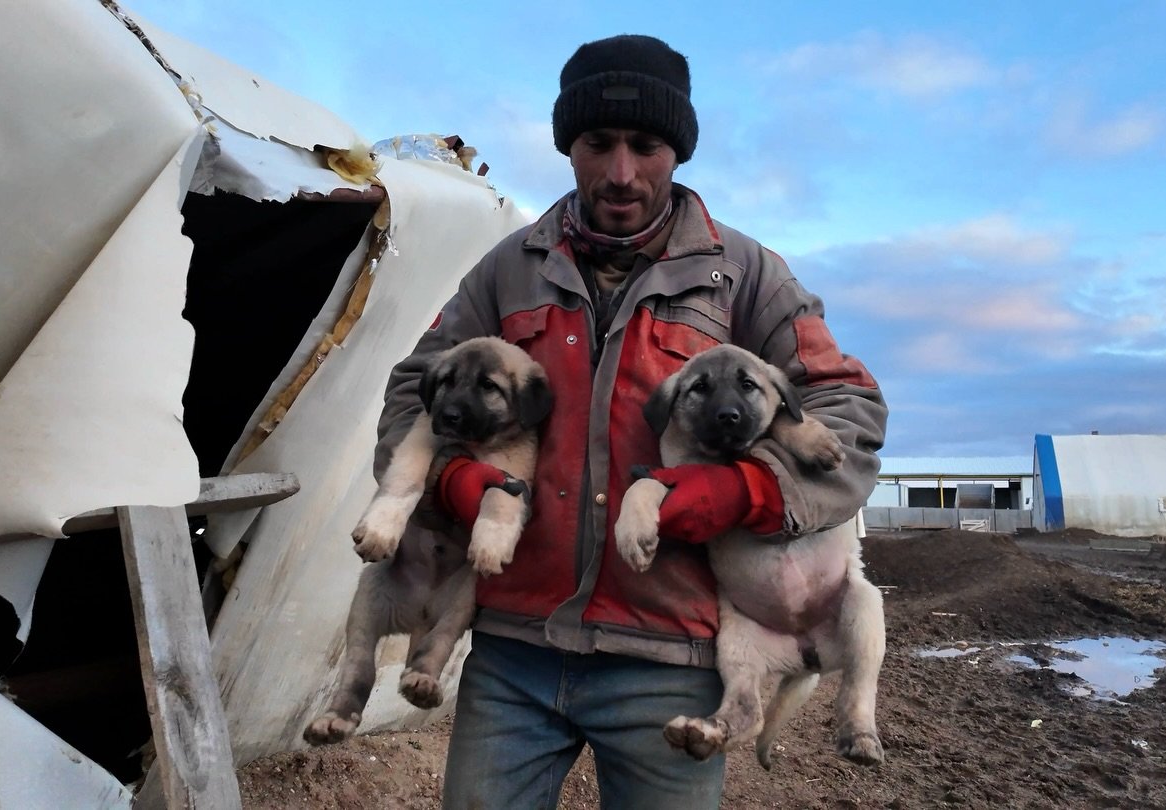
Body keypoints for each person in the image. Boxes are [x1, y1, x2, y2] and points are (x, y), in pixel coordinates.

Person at [374, 33, 888, 810]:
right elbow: (415, 387)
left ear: (677, 150)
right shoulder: (508, 268)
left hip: (673, 658)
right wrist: (450, 481)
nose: (621, 172)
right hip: (515, 650)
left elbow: (850, 409)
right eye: (597, 143)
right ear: (568, 147)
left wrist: (754, 493)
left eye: (645, 145)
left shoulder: (744, 276)